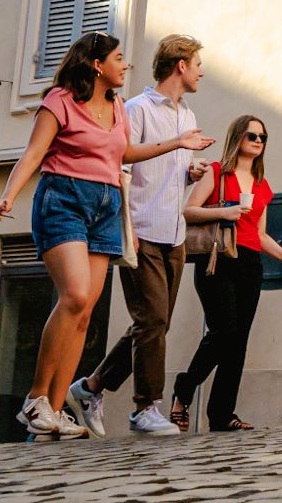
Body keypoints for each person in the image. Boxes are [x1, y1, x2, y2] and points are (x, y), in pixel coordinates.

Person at [0, 33, 210, 441]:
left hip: (106, 206)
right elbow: (33, 153)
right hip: (65, 199)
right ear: (96, 64)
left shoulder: (117, 107)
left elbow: (125, 153)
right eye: (119, 58)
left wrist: (178, 145)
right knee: (75, 296)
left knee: (86, 311)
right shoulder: (60, 101)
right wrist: (8, 195)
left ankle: (57, 410)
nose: (126, 65)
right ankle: (37, 398)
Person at [68, 35, 209, 437]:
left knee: (153, 325)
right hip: (142, 230)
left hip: (174, 234)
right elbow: (123, 169)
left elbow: (164, 174)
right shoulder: (136, 110)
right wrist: (125, 229)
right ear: (180, 65)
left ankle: (91, 386)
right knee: (153, 321)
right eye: (197, 64)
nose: (201, 72)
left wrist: (189, 173)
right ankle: (145, 407)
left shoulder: (188, 115)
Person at [171, 114, 282, 431]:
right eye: (252, 136)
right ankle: (184, 387)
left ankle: (221, 415)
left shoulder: (262, 185)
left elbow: (260, 235)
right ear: (238, 138)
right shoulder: (217, 173)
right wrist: (226, 211)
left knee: (238, 342)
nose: (258, 141)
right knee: (225, 331)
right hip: (218, 259)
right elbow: (188, 211)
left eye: (263, 137)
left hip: (249, 264)